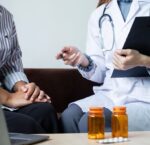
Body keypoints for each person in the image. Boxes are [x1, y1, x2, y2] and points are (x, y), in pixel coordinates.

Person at [56, 0, 150, 133]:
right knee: (69, 117)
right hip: (112, 93)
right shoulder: (100, 14)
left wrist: (143, 60)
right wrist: (82, 60)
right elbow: (100, 73)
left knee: (91, 122)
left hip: (145, 97)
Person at [0, 5, 59, 133]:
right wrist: (8, 98)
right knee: (26, 125)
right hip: (3, 98)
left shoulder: (5, 16)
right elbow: (9, 98)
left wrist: (24, 90)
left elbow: (9, 64)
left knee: (44, 112)